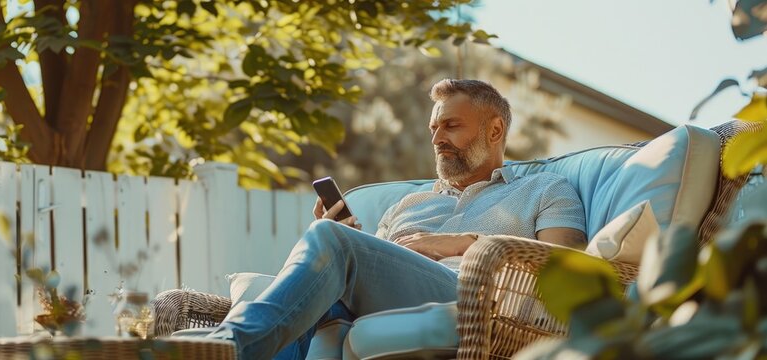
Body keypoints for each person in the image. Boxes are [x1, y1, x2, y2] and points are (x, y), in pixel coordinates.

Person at [203, 79, 587, 359]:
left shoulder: (545, 189)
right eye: (434, 129)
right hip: (389, 296)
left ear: (496, 129)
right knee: (321, 264)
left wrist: (460, 243)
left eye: (451, 125)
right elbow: (380, 265)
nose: (437, 139)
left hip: (473, 298)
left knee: (330, 241)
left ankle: (227, 348)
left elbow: (565, 265)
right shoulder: (409, 203)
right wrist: (346, 239)